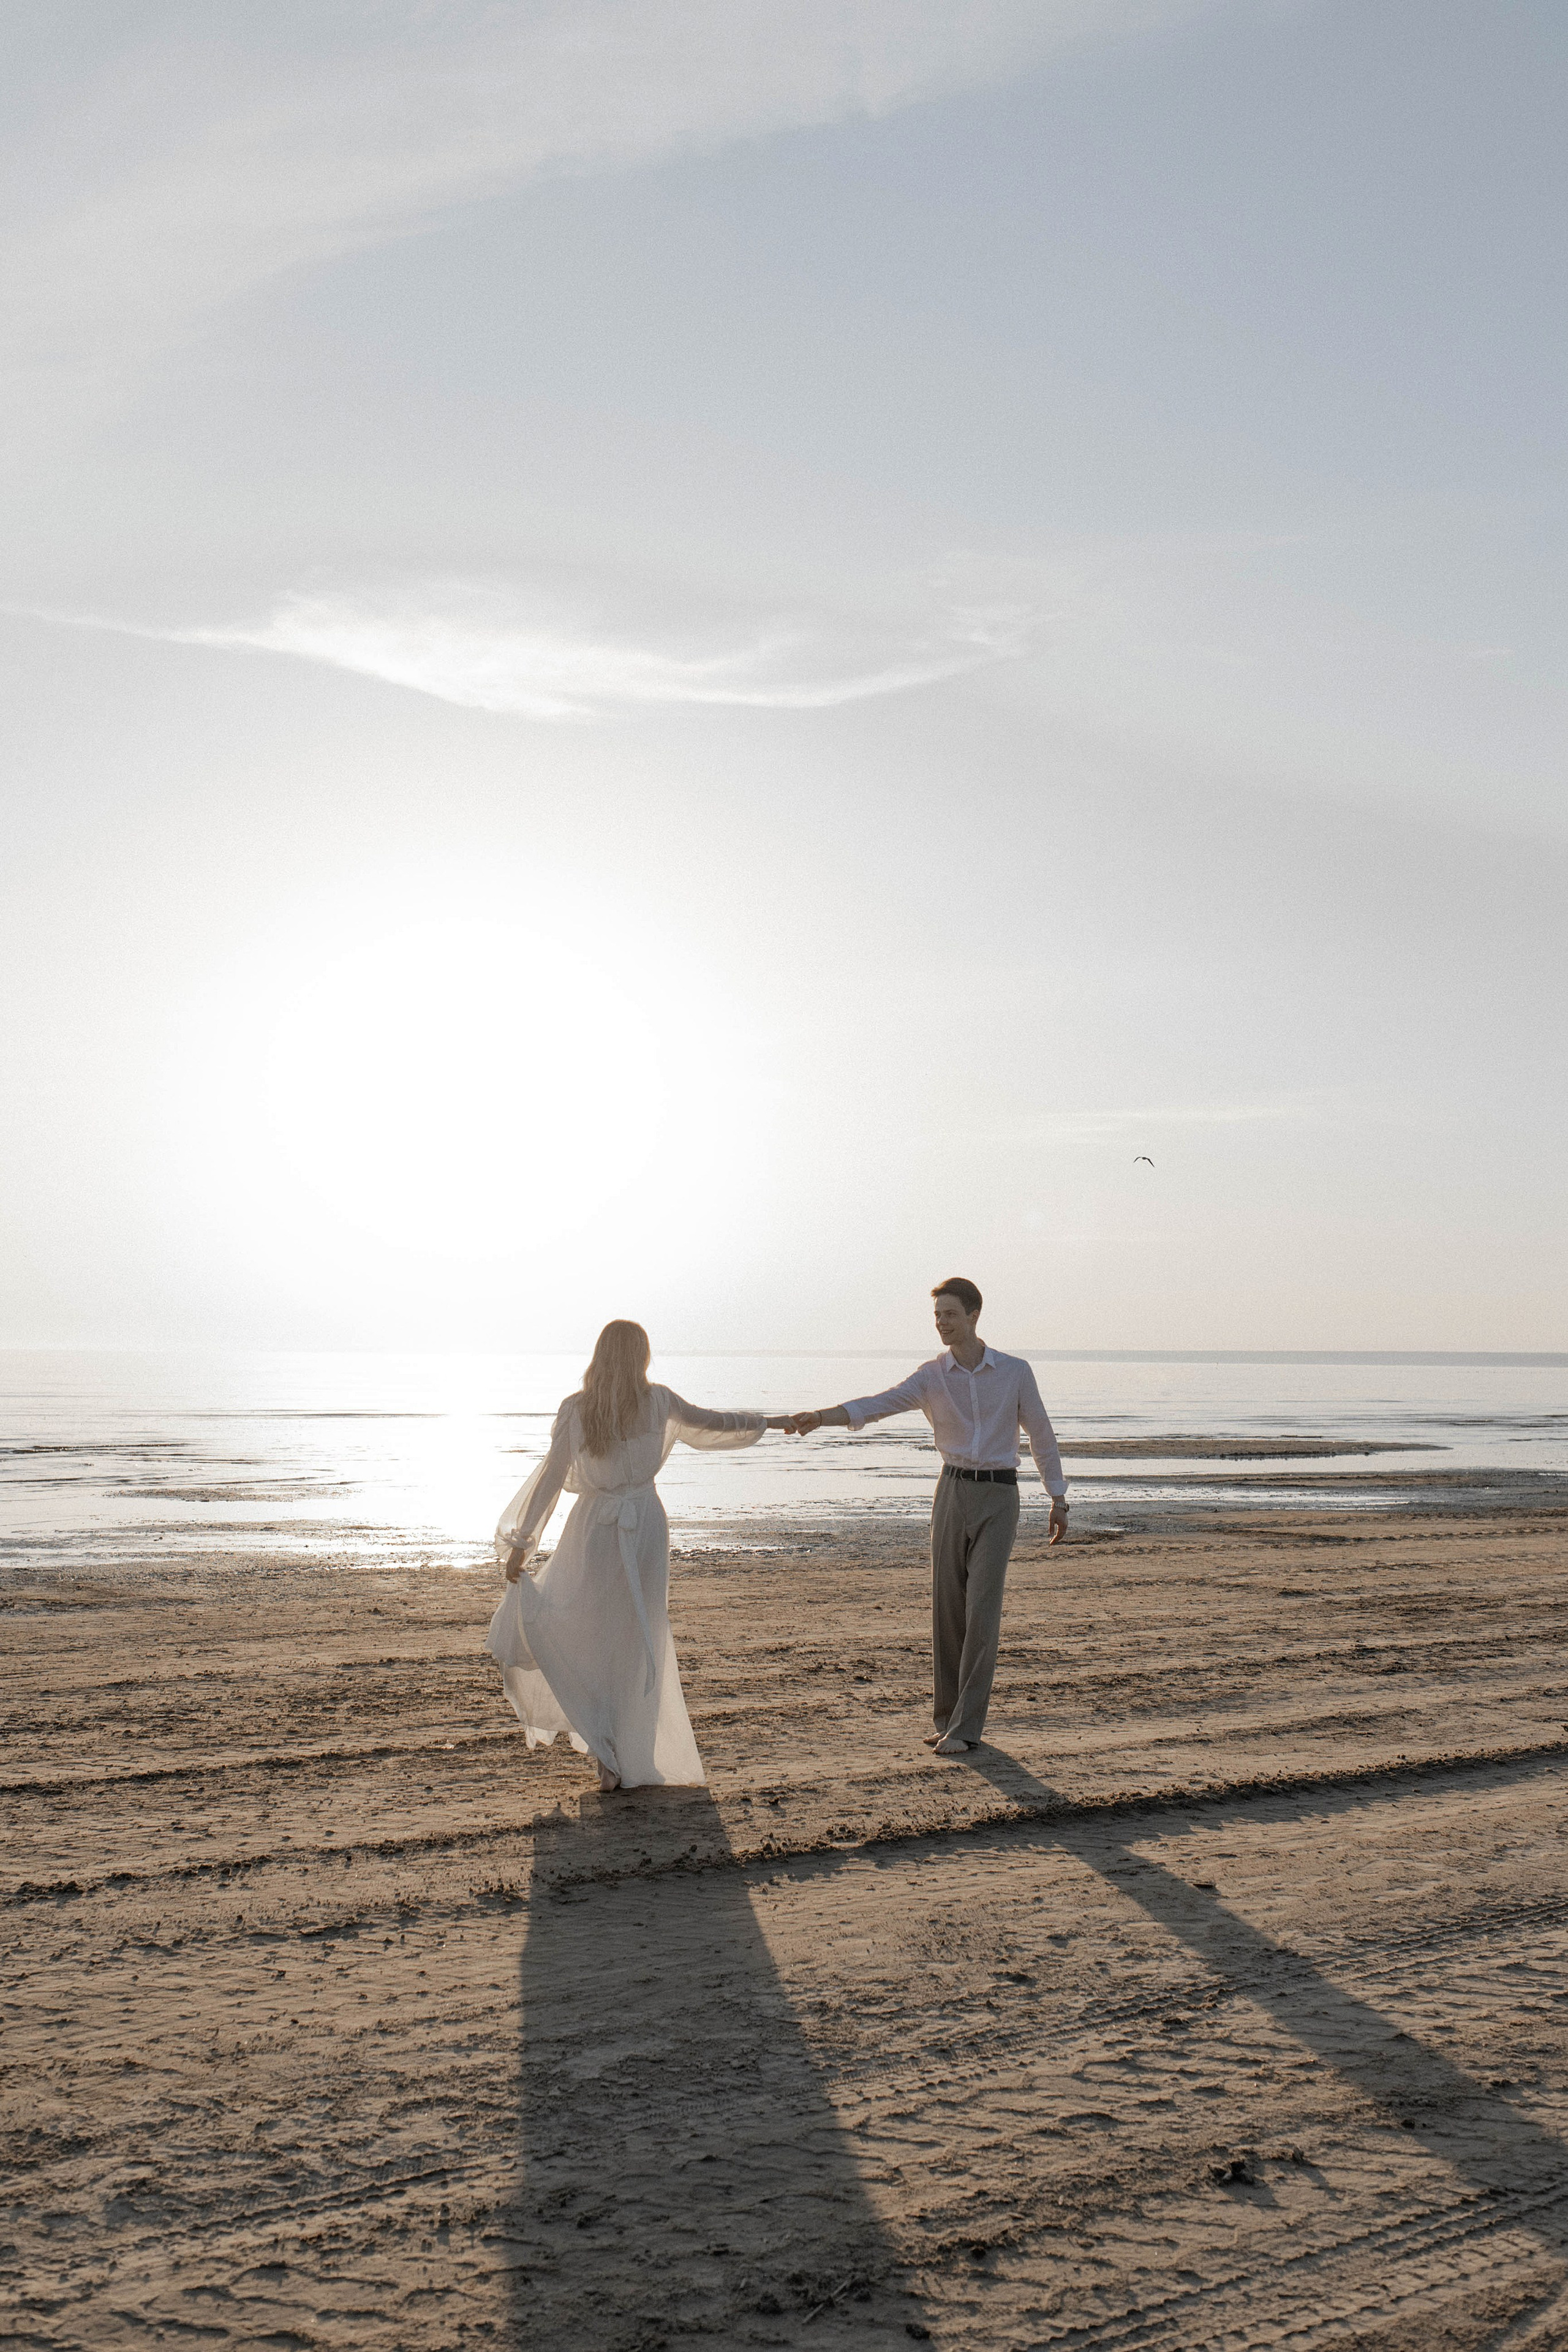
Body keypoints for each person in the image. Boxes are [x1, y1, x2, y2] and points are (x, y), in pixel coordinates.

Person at [483, 1320, 790, 1792]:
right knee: (637, 1633)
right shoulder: (657, 1401)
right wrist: (769, 1422)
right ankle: (625, 1751)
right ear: (642, 1357)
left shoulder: (582, 1409)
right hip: (642, 1522)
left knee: (597, 1631)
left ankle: (612, 1754)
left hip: (598, 1526)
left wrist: (524, 1545)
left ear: (599, 1355)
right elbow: (714, 1423)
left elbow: (552, 1479)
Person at [785, 1278, 1067, 1755]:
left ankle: (967, 1727)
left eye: (949, 1314)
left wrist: (1057, 1498)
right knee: (948, 1611)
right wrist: (822, 1415)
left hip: (1000, 1498)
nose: (941, 1323)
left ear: (974, 1315)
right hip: (951, 1491)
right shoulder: (931, 1375)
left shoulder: (1016, 1372)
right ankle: (947, 1719)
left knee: (982, 1612)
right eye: (937, 1315)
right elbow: (876, 1405)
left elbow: (1041, 1436)